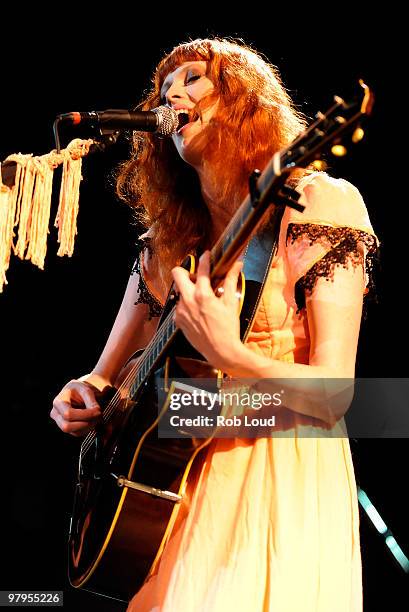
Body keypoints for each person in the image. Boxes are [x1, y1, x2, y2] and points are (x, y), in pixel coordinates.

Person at [51, 38, 378, 611]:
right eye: (164, 85)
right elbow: (105, 382)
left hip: (276, 467)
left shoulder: (315, 202)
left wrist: (234, 358)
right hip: (168, 492)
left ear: (245, 101)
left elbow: (335, 394)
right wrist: (85, 395)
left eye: (195, 79)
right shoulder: (167, 242)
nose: (172, 93)